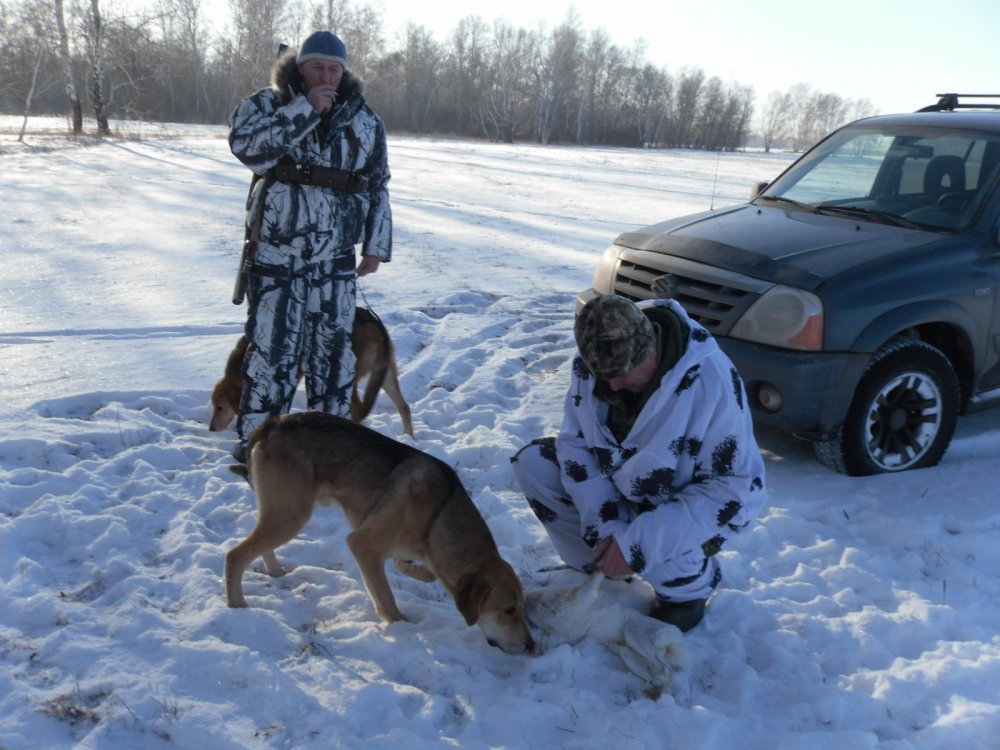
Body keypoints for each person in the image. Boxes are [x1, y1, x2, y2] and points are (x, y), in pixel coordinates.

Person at [511, 294, 766, 631]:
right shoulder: (599, 360)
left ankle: (689, 590)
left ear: (652, 348)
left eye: (623, 373)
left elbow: (728, 488)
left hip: (694, 504)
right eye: (605, 376)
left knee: (660, 547)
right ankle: (599, 567)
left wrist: (636, 546)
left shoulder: (710, 381)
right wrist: (607, 528)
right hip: (623, 485)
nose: (613, 385)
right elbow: (575, 445)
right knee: (534, 464)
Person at [227, 30, 392, 460]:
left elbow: (378, 184)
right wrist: (304, 111)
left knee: (334, 360)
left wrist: (375, 244)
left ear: (344, 72)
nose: (326, 76)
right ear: (301, 68)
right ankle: (259, 454)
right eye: (317, 67)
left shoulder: (365, 120)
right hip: (276, 257)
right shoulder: (265, 105)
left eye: (334, 69)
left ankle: (328, 456)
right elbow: (248, 149)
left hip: (335, 261)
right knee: (272, 354)